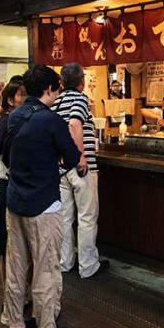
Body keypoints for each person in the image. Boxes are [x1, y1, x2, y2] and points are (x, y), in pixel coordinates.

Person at [4, 65, 80, 328]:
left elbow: (6, 155)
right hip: (44, 204)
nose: (58, 92)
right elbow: (72, 157)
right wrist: (55, 158)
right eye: (57, 88)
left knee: (17, 265)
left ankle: (15, 325)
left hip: (15, 201)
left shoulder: (14, 116)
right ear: (49, 89)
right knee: (46, 267)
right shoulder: (51, 120)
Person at [51, 62, 107, 278]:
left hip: (61, 169)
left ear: (62, 82)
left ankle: (65, 262)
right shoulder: (80, 98)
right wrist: (80, 157)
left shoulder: (56, 101)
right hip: (81, 168)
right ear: (82, 81)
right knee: (86, 217)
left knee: (65, 218)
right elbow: (75, 124)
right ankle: (88, 265)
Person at [0, 78, 27, 324]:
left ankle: (21, 296)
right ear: (11, 99)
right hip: (8, 186)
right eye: (21, 94)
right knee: (6, 246)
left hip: (18, 186)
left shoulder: (24, 119)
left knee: (20, 245)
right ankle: (9, 297)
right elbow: (3, 156)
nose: (25, 98)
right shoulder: (6, 122)